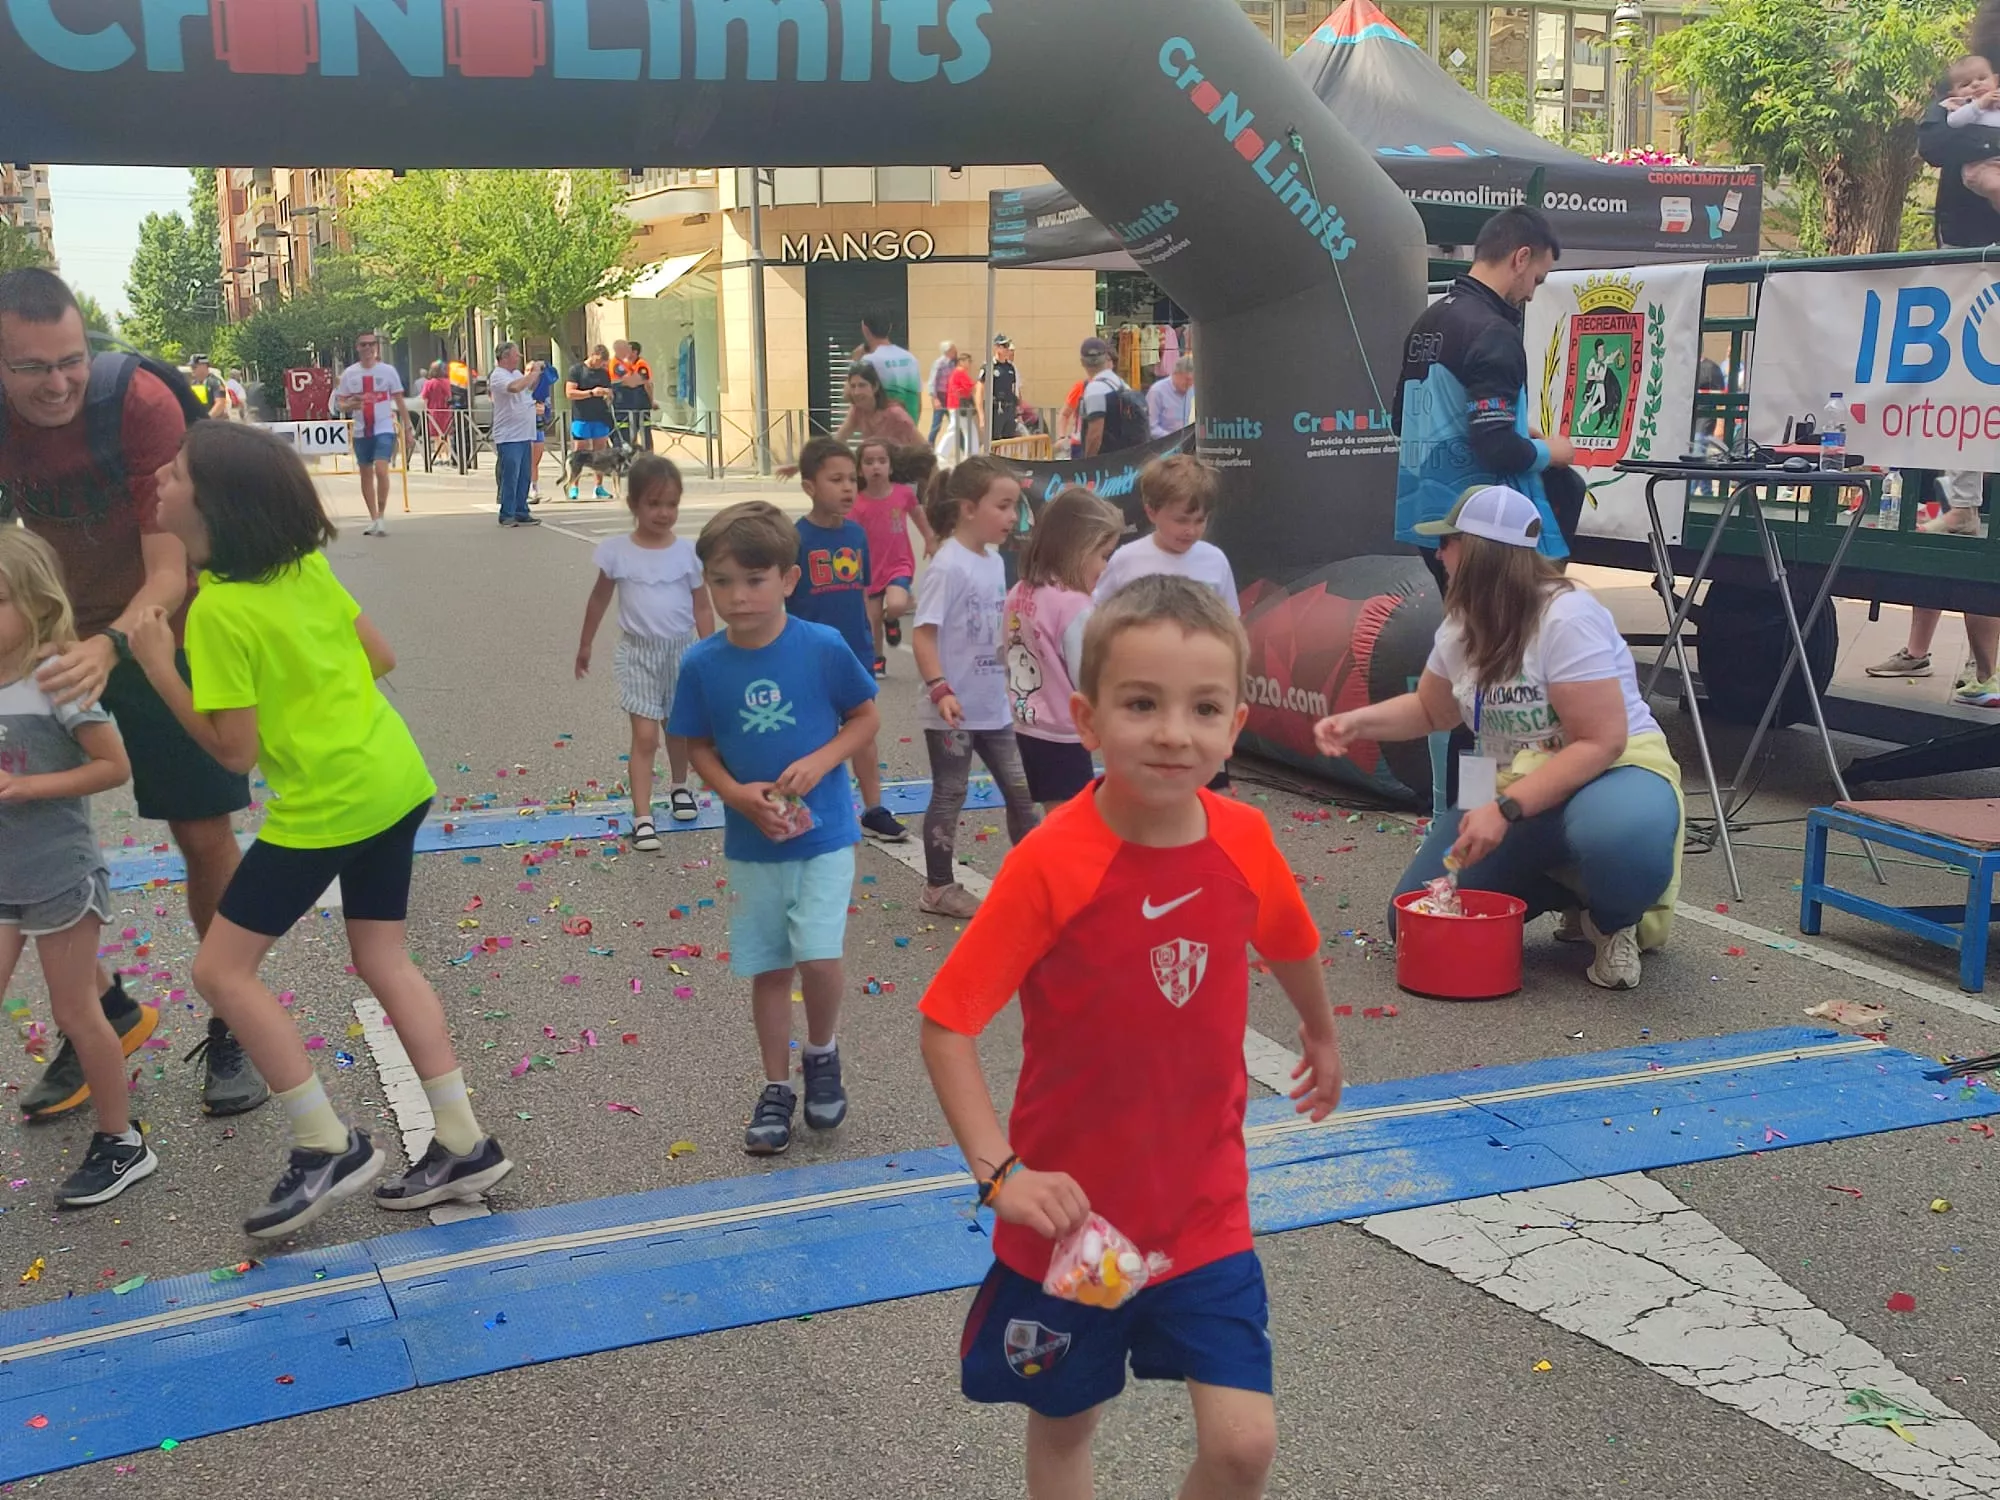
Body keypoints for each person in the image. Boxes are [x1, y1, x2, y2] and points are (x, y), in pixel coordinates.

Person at [920, 576, 1343, 1500]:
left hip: (1204, 1217)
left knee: (1243, 1447)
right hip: (1078, 1229)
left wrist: (1320, 1032)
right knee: (1068, 1425)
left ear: (1237, 724)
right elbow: (947, 1025)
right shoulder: (1052, 861)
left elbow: (1292, 940)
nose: (1173, 733)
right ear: (1086, 716)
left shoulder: (1244, 837)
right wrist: (1000, 1174)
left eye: (1203, 709)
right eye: (1142, 704)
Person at [129, 422, 514, 1236]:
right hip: (394, 778)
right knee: (382, 956)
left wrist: (160, 664)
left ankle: (322, 1143)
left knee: (220, 973)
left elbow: (231, 749)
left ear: (216, 506)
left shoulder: (220, 612)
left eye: (175, 471)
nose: (159, 478)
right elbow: (377, 656)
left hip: (328, 808)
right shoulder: (303, 569)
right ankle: (462, 1140)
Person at [0, 268, 266, 1124]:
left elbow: (168, 571)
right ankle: (105, 1012)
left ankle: (235, 1022)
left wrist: (112, 646)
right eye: (32, 368)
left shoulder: (139, 404)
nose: (58, 383)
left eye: (70, 361)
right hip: (51, 638)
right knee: (26, 837)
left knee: (201, 833)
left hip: (161, 632)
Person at [1315, 485, 1684, 992]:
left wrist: (1504, 809)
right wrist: (1357, 722)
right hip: (1512, 782)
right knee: (1414, 922)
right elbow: (1431, 709)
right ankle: (1564, 888)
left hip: (1609, 772)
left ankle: (1613, 918)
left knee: (1620, 833)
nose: (1438, 553)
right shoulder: (1461, 624)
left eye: (1447, 541)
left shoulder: (1565, 616)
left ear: (1476, 551)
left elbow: (1600, 742)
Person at [667, 501, 883, 1157]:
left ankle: (821, 1051)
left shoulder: (821, 647)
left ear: (789, 579)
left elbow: (865, 717)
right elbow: (697, 742)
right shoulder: (702, 664)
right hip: (754, 839)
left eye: (753, 580)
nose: (737, 597)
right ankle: (774, 1086)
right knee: (768, 964)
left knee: (817, 950)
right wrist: (733, 792)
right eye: (721, 582)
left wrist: (820, 762)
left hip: (823, 832)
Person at [0, 530, 153, 1208]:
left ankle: (123, 1142)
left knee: (75, 1010)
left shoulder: (55, 679)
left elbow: (113, 766)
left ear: (34, 603)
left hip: (61, 875)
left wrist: (28, 789)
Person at [1394, 205, 1580, 583]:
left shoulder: (1428, 320)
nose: (1531, 294)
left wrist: (1515, 426)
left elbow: (1403, 418)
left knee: (1462, 634)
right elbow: (1495, 446)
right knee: (1503, 638)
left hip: (1426, 521)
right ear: (1521, 257)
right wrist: (1553, 453)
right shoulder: (1494, 332)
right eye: (1537, 280)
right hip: (1485, 532)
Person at [913, 456, 1041, 920]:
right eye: (1003, 506)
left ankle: (1035, 881)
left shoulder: (991, 561)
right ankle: (938, 888)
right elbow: (923, 633)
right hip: (953, 709)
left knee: (1023, 793)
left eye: (1015, 507)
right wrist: (940, 689)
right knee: (950, 792)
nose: (1012, 517)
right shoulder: (948, 565)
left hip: (995, 705)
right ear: (969, 508)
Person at [576, 455, 711, 849]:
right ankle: (642, 816)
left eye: (671, 504)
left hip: (682, 652)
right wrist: (585, 643)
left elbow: (702, 605)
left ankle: (680, 787)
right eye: (654, 503)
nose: (664, 513)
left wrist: (710, 649)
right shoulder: (618, 551)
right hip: (638, 655)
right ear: (633, 504)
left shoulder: (687, 552)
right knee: (646, 736)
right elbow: (599, 599)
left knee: (679, 728)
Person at [787, 436, 911, 846]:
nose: (846, 488)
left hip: (852, 651)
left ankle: (874, 808)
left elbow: (862, 593)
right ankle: (807, 809)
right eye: (834, 479)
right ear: (809, 487)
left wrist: (867, 642)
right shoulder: (795, 539)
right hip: (807, 655)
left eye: (850, 480)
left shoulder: (856, 536)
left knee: (863, 732)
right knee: (813, 736)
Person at [1005, 487, 1123, 808]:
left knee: (1056, 811)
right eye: (1103, 555)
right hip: (1063, 729)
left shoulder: (1021, 591)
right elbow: (1088, 674)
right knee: (1072, 819)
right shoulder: (1074, 606)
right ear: (1077, 550)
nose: (1105, 567)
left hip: (1028, 723)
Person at [1095, 456, 1238, 613]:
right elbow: (1098, 613)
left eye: (1199, 521)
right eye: (1181, 521)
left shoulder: (1215, 561)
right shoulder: (1125, 560)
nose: (1190, 530)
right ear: (1151, 513)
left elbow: (1230, 621)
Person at [852, 436, 937, 675]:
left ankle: (893, 619)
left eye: (881, 461)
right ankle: (877, 658)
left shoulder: (902, 494)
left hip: (898, 563)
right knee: (872, 619)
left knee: (898, 604)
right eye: (869, 462)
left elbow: (919, 517)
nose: (876, 467)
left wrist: (930, 539)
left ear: (891, 466)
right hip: (868, 568)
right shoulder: (856, 503)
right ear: (860, 469)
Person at [335, 332, 409, 538]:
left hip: (383, 427)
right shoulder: (350, 374)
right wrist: (351, 404)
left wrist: (409, 428)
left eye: (371, 344)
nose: (368, 348)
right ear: (357, 348)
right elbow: (341, 403)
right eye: (363, 345)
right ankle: (374, 517)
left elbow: (399, 399)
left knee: (381, 469)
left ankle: (382, 516)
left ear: (376, 347)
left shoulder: (387, 371)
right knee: (366, 473)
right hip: (361, 430)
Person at [487, 342, 544, 530]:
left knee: (524, 475)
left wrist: (536, 374)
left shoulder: (517, 374)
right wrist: (532, 374)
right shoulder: (498, 376)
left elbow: (527, 388)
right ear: (505, 357)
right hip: (509, 435)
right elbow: (514, 388)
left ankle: (521, 510)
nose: (518, 357)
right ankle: (507, 514)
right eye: (515, 354)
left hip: (524, 433)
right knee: (510, 475)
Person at [1945, 56, 2000, 209]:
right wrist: (1979, 105)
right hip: (1981, 166)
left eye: (1982, 78)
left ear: (1995, 80)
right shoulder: (1964, 106)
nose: (1976, 84)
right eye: (1965, 84)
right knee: (1995, 187)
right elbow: (1953, 122)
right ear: (1954, 93)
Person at [831, 361, 924, 451]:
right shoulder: (857, 410)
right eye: (853, 386)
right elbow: (839, 439)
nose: (856, 392)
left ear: (875, 387)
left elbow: (924, 447)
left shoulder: (895, 413)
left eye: (862, 385)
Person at [1078, 337, 1145, 457]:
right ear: (1106, 358)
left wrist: (1087, 463)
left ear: (1082, 362)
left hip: (1107, 462)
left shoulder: (1095, 389)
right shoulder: (1119, 383)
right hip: (1126, 457)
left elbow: (1095, 434)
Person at [566, 344, 617, 502]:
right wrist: (591, 393)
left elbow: (610, 392)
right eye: (600, 361)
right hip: (582, 416)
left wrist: (607, 394)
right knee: (580, 452)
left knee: (600, 453)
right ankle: (574, 485)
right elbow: (570, 393)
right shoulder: (577, 370)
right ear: (593, 355)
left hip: (600, 416)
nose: (601, 365)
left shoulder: (603, 373)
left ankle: (598, 487)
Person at [859, 310, 925, 425]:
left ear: (865, 328)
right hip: (909, 432)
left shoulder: (868, 361)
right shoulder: (910, 358)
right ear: (890, 328)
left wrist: (856, 360)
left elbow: (851, 396)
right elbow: (918, 402)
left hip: (881, 434)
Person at [613, 337, 654, 453]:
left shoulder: (641, 364)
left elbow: (647, 384)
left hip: (641, 404)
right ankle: (633, 456)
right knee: (631, 432)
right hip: (629, 404)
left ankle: (648, 456)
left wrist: (651, 401)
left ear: (634, 352)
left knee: (644, 431)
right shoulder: (627, 365)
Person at [529, 353, 560, 504]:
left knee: (535, 460)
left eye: (534, 371)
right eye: (528, 370)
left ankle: (534, 489)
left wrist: (542, 364)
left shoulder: (543, 384)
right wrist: (530, 407)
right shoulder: (521, 385)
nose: (531, 373)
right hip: (522, 427)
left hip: (538, 425)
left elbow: (554, 375)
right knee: (525, 460)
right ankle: (524, 490)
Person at [983, 335, 1023, 443]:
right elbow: (980, 390)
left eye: (1007, 346)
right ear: (997, 347)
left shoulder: (1010, 368)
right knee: (995, 441)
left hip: (1009, 410)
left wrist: (1018, 411)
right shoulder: (989, 366)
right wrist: (982, 416)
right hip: (996, 409)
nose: (1007, 349)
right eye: (1004, 346)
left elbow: (1015, 391)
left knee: (1009, 441)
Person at [943, 351, 981, 463]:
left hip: (955, 405)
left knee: (956, 429)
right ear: (961, 362)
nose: (970, 364)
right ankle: (971, 454)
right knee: (967, 430)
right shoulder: (960, 373)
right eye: (968, 361)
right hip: (959, 406)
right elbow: (970, 387)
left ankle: (943, 452)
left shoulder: (956, 373)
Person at [1148, 355, 1196, 439]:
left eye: (1193, 380)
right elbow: (1151, 428)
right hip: (1166, 445)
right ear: (1175, 374)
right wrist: (1173, 439)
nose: (1190, 383)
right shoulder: (1157, 391)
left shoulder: (1194, 389)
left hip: (1191, 442)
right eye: (1187, 379)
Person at [419, 360, 454, 458]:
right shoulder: (447, 382)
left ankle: (438, 456)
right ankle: (448, 455)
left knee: (436, 436)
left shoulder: (429, 383)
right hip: (446, 411)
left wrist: (426, 411)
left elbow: (425, 398)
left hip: (433, 411)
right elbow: (450, 396)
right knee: (445, 434)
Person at [928, 340, 959, 445]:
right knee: (936, 425)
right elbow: (932, 381)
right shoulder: (939, 363)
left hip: (951, 397)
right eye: (953, 349)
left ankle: (965, 449)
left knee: (956, 424)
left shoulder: (954, 363)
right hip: (941, 397)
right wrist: (935, 399)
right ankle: (929, 447)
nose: (956, 351)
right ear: (948, 351)